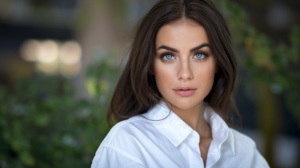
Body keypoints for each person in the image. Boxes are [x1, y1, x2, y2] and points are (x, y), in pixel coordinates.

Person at [91, 0, 270, 167]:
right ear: (151, 65)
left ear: (218, 62)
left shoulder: (246, 153)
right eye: (168, 56)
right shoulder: (128, 145)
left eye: (199, 55)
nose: (185, 74)